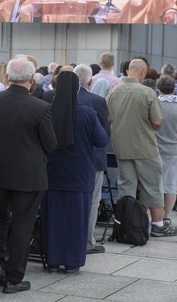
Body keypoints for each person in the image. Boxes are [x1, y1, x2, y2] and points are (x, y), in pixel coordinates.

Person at [0, 55, 56, 293]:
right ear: (31, 81)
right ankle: (13, 278)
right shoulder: (41, 107)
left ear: (7, 76)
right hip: (28, 173)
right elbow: (50, 143)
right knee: (22, 225)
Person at [41, 71, 108, 274]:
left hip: (52, 174)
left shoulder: (46, 111)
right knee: (77, 220)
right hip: (80, 176)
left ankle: (52, 260)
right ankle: (72, 262)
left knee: (53, 220)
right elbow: (102, 140)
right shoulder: (87, 113)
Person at [106, 59, 177, 237]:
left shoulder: (113, 92)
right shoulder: (147, 92)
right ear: (143, 73)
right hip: (145, 146)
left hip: (122, 146)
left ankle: (127, 223)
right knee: (152, 184)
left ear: (128, 71)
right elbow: (157, 121)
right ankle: (158, 224)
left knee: (126, 186)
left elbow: (108, 119)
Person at [73, 64, 111, 254]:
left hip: (66, 158)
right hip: (93, 158)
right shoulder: (97, 101)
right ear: (90, 81)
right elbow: (105, 134)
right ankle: (87, 241)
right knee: (92, 201)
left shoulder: (58, 97)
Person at [154, 75, 177, 224]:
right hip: (173, 150)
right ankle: (167, 216)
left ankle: (155, 217)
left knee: (155, 184)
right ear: (174, 90)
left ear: (158, 90)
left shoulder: (153, 106)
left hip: (155, 149)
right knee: (171, 185)